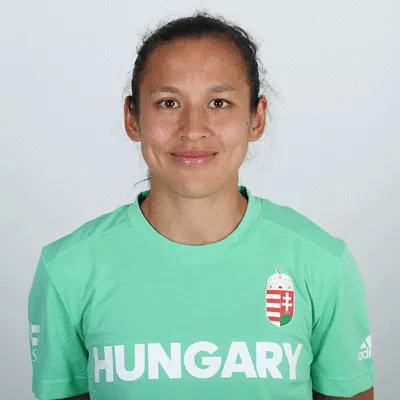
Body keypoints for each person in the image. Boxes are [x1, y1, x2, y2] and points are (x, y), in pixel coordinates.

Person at [27, 10, 375, 400]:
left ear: (256, 119)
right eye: (168, 103)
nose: (193, 129)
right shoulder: (68, 270)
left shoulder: (322, 264)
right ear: (133, 118)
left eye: (219, 102)